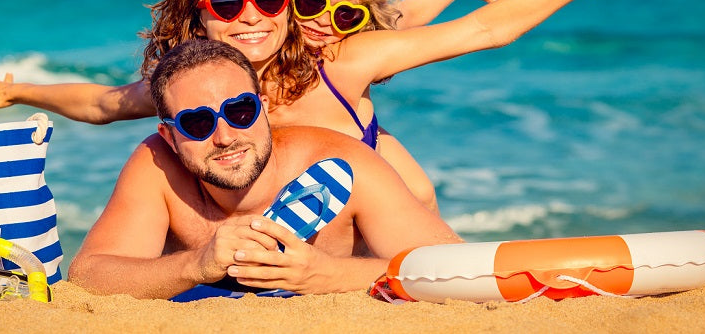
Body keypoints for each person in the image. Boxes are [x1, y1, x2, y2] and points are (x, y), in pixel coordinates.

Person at [0, 0, 683, 211]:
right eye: (233, 6)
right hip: (288, 243)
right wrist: (19, 92)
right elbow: (105, 102)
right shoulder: (205, 84)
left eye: (268, 0)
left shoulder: (344, 58)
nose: (253, 16)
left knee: (414, 187)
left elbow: (489, 30)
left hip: (378, 220)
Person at [67, 39, 461, 299]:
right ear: (169, 136)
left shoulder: (343, 163)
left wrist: (329, 274)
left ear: (264, 108)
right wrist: (196, 264)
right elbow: (88, 275)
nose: (225, 137)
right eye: (197, 123)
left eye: (240, 111)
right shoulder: (157, 167)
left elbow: (454, 264)